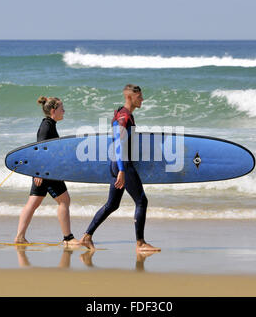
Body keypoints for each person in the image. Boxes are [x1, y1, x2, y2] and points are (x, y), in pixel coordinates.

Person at [80, 84, 161, 253]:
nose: (142, 100)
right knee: (141, 201)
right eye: (139, 97)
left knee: (112, 204)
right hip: (122, 164)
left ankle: (87, 237)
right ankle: (140, 243)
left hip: (116, 164)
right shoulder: (124, 117)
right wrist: (123, 171)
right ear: (130, 97)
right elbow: (119, 144)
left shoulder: (122, 113)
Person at [14, 96, 79, 247]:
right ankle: (67, 238)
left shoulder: (50, 124)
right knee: (64, 201)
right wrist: (38, 172)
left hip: (43, 171)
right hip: (46, 172)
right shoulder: (47, 126)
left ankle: (20, 236)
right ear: (53, 110)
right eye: (61, 108)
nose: (64, 111)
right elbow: (38, 150)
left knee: (33, 203)